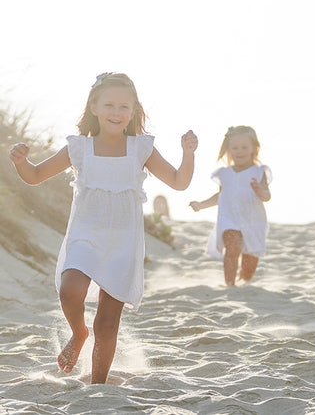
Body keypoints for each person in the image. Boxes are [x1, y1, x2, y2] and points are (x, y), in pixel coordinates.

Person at [8, 72, 198, 384]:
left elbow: (178, 182)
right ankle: (78, 332)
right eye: (109, 104)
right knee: (70, 290)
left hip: (123, 244)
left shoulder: (141, 149)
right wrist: (21, 163)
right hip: (85, 235)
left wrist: (188, 155)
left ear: (134, 111)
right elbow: (36, 175)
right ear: (93, 108)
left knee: (107, 323)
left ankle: (97, 386)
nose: (117, 112)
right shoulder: (79, 148)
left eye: (125, 106)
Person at [189, 126, 271, 286]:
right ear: (228, 149)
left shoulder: (259, 172)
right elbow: (221, 196)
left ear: (254, 148)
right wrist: (201, 204)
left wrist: (260, 191)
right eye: (235, 147)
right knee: (232, 246)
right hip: (229, 218)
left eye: (244, 147)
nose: (239, 151)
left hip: (253, 221)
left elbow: (267, 196)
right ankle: (229, 284)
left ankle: (244, 281)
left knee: (250, 258)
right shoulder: (224, 174)